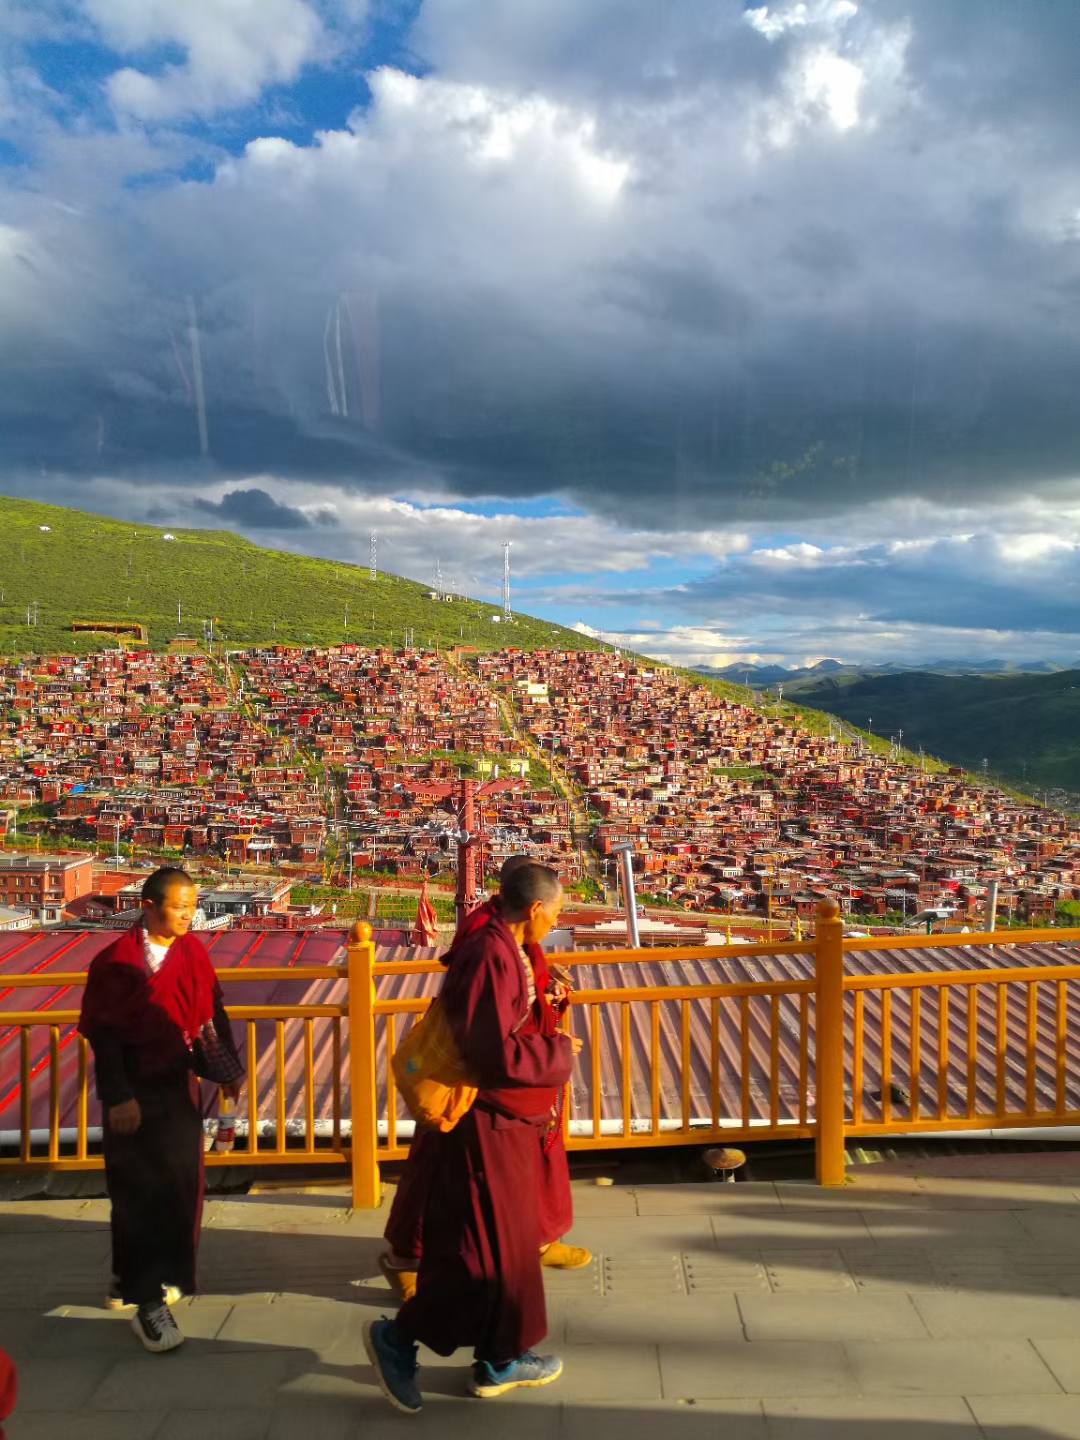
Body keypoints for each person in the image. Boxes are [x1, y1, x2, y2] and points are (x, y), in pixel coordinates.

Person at [365, 862, 580, 1413]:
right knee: (482, 1256)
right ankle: (397, 1339)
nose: (556, 921)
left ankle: (499, 1356)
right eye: (556, 912)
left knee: (507, 1251)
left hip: (505, 1122)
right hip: (485, 1122)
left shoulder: (506, 944)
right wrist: (557, 1055)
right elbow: (491, 1051)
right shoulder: (489, 953)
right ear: (534, 910)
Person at [78, 867, 241, 1353]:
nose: (190, 915)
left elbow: (211, 1010)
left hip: (178, 1085)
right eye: (179, 906)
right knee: (136, 1192)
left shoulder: (191, 951)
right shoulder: (116, 962)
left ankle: (139, 1274)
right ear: (149, 905)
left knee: (182, 1183)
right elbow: (104, 1036)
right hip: (132, 1090)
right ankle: (147, 1302)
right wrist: (118, 1096)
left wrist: (230, 1067)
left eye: (193, 906)